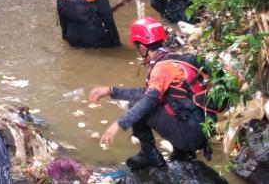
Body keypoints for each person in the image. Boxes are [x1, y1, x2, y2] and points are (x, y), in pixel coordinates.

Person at [89, 17, 216, 170]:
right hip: (202, 131)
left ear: (142, 48)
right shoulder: (176, 59)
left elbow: (147, 100)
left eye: (137, 48)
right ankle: (183, 154)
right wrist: (111, 91)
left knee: (137, 104)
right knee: (163, 102)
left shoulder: (162, 68)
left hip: (191, 136)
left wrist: (118, 124)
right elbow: (149, 93)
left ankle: (149, 155)